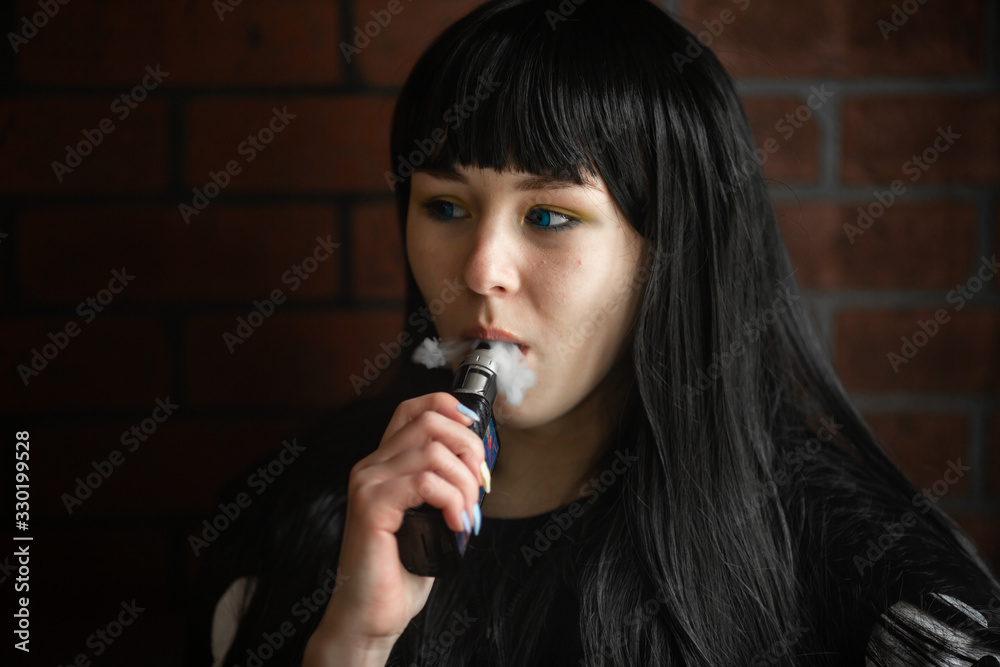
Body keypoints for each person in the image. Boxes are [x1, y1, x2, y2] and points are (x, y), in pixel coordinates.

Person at [190, 0, 1000, 665]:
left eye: (549, 216)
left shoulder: (871, 582)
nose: (481, 269)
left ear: (669, 253)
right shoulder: (287, 522)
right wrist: (351, 644)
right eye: (445, 206)